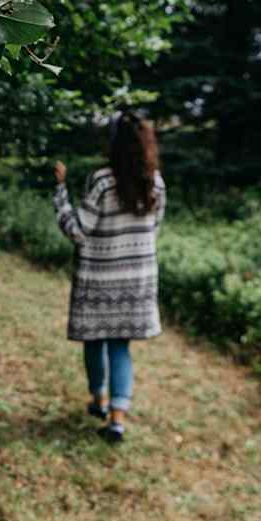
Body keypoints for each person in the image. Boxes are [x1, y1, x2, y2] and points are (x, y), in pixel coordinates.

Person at [52, 112, 166, 443]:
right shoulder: (155, 182)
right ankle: (117, 420)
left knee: (95, 340)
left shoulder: (102, 181)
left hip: (100, 279)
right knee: (121, 346)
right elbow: (154, 229)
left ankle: (98, 400)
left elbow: (77, 231)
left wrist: (60, 191)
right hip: (137, 279)